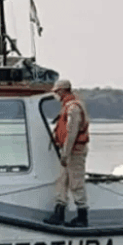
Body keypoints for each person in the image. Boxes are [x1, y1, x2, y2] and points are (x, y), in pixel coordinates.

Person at [44, 79, 91, 227]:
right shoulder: (68, 106)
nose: (55, 95)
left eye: (57, 92)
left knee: (76, 182)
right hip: (68, 151)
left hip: (74, 152)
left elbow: (72, 133)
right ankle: (59, 212)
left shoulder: (73, 108)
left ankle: (82, 217)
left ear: (62, 91)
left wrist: (66, 153)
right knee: (62, 181)